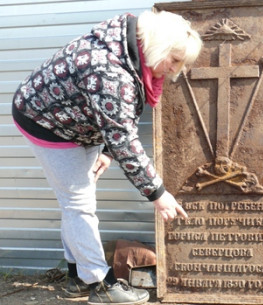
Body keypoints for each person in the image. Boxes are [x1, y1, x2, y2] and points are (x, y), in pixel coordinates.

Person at [12, 10, 202, 305]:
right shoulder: (111, 72)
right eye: (174, 60)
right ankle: (100, 284)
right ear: (158, 47)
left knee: (76, 203)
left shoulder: (127, 47)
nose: (175, 71)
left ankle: (77, 277)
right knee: (78, 204)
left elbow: (113, 117)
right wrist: (158, 193)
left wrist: (104, 151)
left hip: (75, 120)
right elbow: (123, 136)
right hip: (46, 122)